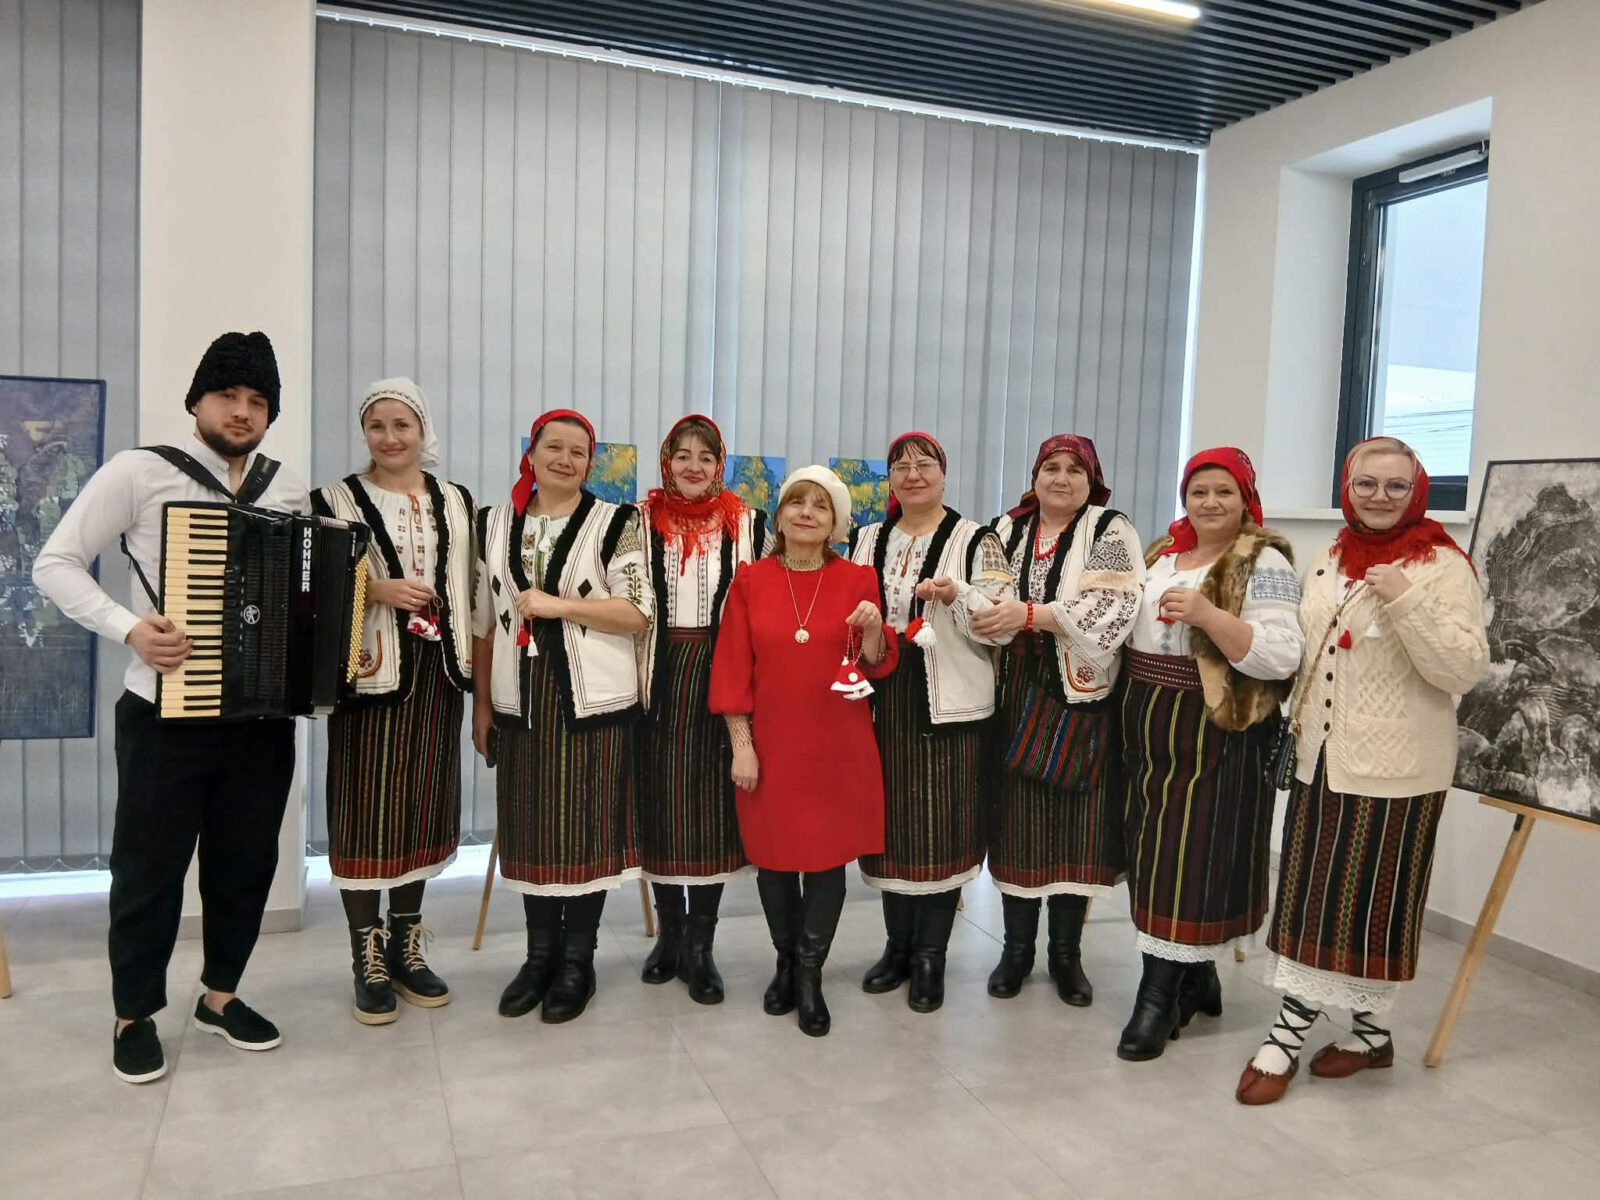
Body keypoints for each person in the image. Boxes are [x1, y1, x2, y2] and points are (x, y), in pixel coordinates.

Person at [33, 332, 309, 1083]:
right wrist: (130, 628)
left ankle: (221, 998)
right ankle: (133, 1015)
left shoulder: (287, 491)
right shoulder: (140, 471)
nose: (242, 411)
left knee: (245, 865)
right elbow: (55, 563)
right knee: (148, 872)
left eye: (258, 401)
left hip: (260, 720)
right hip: (163, 716)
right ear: (197, 401)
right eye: (228, 395)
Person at [1237, 437, 1487, 1105]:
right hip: (1321, 761)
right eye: (1366, 484)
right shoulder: (1333, 555)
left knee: (1362, 905)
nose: (1379, 496)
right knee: (1312, 898)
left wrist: (1406, 600)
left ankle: (1285, 1038)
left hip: (1398, 772)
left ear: (1418, 490)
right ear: (1347, 489)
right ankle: (1372, 1036)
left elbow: (1463, 670)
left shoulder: (1442, 565)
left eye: (1395, 485)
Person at [1116, 447, 1303, 1060]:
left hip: (1213, 723)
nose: (1210, 502)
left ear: (1245, 498)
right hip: (1145, 715)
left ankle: (1156, 997)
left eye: (1224, 491)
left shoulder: (1263, 560)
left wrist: (1208, 615)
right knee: (1151, 849)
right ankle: (1198, 977)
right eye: (1199, 491)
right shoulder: (1160, 555)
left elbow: (1282, 655)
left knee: (1189, 853)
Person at [471, 409, 653, 1025]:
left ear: (590, 462)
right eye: (554, 447)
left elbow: (637, 613)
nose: (565, 460)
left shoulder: (616, 523)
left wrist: (558, 606)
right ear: (532, 453)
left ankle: (579, 962)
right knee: (531, 836)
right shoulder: (494, 523)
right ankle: (538, 958)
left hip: (592, 708)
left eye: (579, 452)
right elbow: (483, 624)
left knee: (587, 837)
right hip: (519, 707)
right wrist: (481, 708)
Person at [710, 465, 897, 1036]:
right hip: (771, 744)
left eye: (820, 505)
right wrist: (742, 747)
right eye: (797, 502)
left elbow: (876, 662)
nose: (807, 513)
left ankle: (810, 975)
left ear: (836, 522)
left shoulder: (858, 578)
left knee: (824, 862)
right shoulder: (751, 580)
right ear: (781, 515)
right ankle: (785, 963)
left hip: (838, 745)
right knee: (773, 859)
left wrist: (873, 628)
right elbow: (733, 669)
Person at [311, 378, 475, 1025]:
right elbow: (310, 582)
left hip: (438, 677)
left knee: (421, 809)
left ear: (422, 429)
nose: (389, 437)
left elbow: (474, 587)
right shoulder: (333, 500)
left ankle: (407, 945)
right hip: (369, 678)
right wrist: (374, 590)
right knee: (365, 812)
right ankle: (367, 955)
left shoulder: (455, 501)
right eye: (376, 425)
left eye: (402, 424)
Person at [975, 435, 1143, 1005]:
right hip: (1014, 696)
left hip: (1082, 701)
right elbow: (985, 595)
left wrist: (1030, 614)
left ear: (1091, 481)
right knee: (1017, 827)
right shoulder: (1006, 529)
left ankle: (1066, 956)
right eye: (1051, 467)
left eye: (1075, 469)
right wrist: (989, 611)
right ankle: (1016, 951)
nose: (1061, 478)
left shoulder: (1110, 530)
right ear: (1035, 476)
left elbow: (1112, 607)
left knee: (1078, 832)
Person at [847, 432, 1011, 1012]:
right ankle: (897, 947)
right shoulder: (867, 538)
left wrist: (957, 593)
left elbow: (1002, 624)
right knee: (890, 827)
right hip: (881, 696)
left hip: (951, 702)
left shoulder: (977, 539)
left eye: (924, 464)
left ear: (944, 473)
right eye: (901, 465)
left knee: (941, 828)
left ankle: (930, 957)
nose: (912, 474)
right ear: (890, 478)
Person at [636, 415, 768, 1005]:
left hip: (724, 673)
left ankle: (701, 944)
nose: (694, 466)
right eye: (683, 455)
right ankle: (670, 935)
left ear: (720, 466)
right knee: (661, 806)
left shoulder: (751, 526)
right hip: (657, 676)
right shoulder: (637, 522)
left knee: (713, 809)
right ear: (667, 462)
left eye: (706, 457)